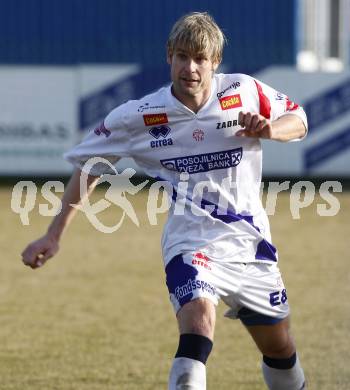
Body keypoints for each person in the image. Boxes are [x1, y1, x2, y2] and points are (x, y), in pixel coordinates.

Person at [21, 12, 307, 390]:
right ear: (169, 56)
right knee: (198, 325)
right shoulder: (138, 116)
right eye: (182, 56)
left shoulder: (244, 90)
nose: (191, 67)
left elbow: (298, 119)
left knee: (279, 347)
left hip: (250, 244)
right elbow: (91, 166)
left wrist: (271, 129)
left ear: (215, 62)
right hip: (189, 242)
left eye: (200, 59)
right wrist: (53, 234)